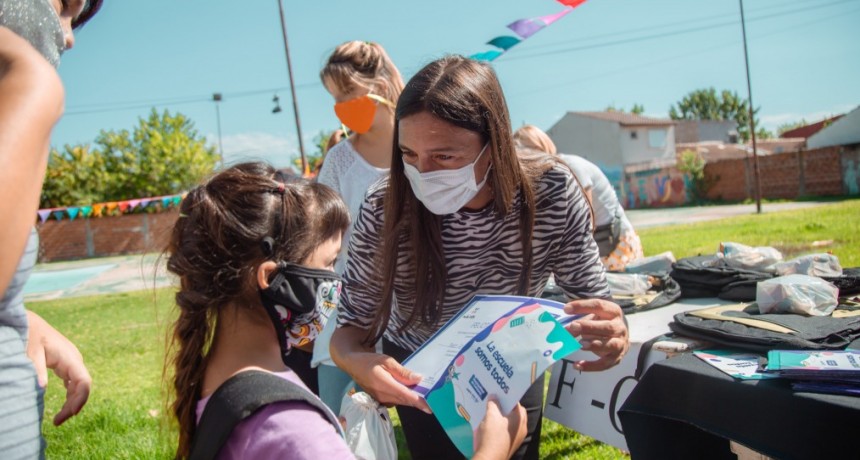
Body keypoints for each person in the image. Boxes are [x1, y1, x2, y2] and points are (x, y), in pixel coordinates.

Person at [330, 56, 630, 460]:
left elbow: (593, 301)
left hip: (510, 365)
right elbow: (350, 329)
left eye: (444, 157)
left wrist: (612, 329)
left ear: (493, 145)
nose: (422, 173)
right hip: (421, 374)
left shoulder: (552, 193)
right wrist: (360, 363)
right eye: (408, 154)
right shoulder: (384, 205)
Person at [164, 162, 528, 460]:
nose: (336, 281)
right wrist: (493, 452)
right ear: (272, 279)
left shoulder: (216, 382)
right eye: (328, 264)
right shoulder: (294, 429)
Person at [0, 0, 101, 457]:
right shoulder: (31, 90)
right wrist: (34, 91)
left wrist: (22, 320)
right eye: (63, 6)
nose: (70, 37)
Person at [312, 40, 404, 413]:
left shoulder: (422, 150)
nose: (339, 107)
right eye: (334, 98)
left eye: (346, 94)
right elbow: (320, 238)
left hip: (417, 309)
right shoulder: (339, 162)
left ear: (379, 86)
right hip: (350, 311)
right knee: (337, 421)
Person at [514, 124, 644, 272]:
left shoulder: (570, 167)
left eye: (526, 156)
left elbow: (586, 220)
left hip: (616, 246)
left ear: (540, 148)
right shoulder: (548, 177)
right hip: (601, 243)